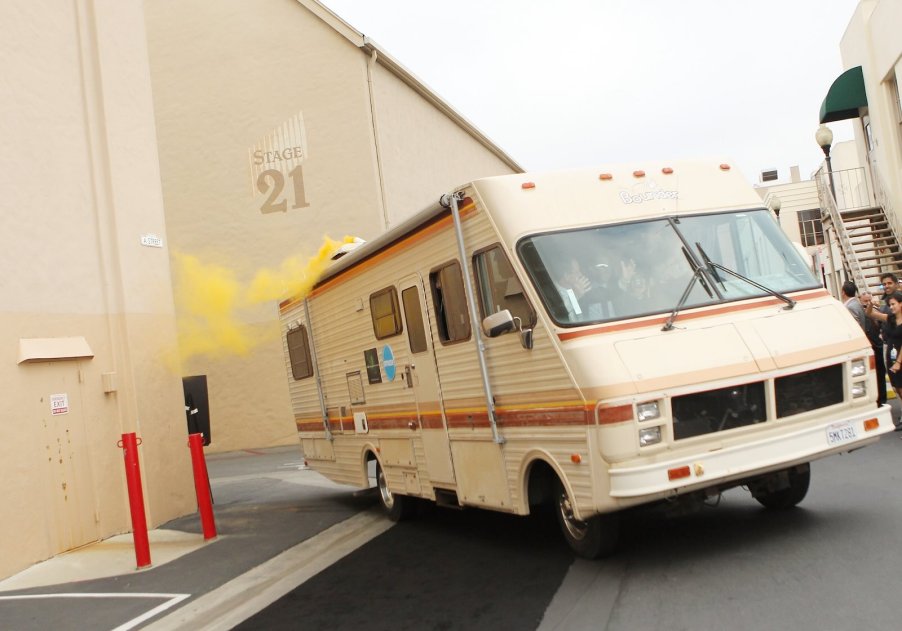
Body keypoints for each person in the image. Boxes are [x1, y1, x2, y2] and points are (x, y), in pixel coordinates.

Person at [583, 251, 628, 320]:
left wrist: (626, 280)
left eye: (608, 266)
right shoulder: (583, 290)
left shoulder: (617, 288)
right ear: (592, 269)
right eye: (602, 266)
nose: (607, 270)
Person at [861, 291, 887, 406]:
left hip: (880, 346)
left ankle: (883, 398)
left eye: (868, 301)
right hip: (871, 348)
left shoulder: (877, 311)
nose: (867, 303)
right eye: (865, 301)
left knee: (881, 374)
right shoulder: (861, 313)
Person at [883, 291, 902, 407]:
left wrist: (899, 362)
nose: (891, 307)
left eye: (893, 304)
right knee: (898, 389)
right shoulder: (891, 319)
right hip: (892, 359)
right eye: (890, 305)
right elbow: (871, 314)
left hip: (899, 360)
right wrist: (869, 307)